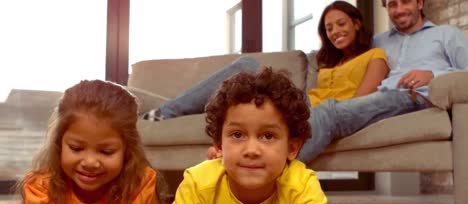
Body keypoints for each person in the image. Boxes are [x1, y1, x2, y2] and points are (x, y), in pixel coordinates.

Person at [146, 67, 345, 204]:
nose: (251, 150)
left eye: (268, 136)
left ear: (292, 148)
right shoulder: (199, 182)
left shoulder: (301, 184)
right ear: (218, 145)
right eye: (237, 135)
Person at [142, 1, 389, 122]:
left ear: (357, 23)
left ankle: (166, 112)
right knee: (245, 80)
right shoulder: (329, 63)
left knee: (247, 65)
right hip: (301, 104)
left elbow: (361, 104)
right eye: (330, 28)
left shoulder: (374, 57)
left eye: (341, 24)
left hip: (319, 113)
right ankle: (178, 109)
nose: (335, 32)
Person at [2, 80, 161, 204]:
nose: (90, 162)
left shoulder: (139, 183)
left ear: (127, 150)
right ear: (59, 144)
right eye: (76, 148)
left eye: (106, 151)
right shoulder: (42, 186)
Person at [295, 0, 468, 163]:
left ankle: (277, 172)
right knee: (294, 105)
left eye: (406, 1)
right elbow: (348, 55)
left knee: (328, 112)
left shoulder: (447, 34)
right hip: (382, 97)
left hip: (417, 97)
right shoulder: (377, 41)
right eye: (392, 4)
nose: (399, 10)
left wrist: (433, 75)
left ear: (420, 3)